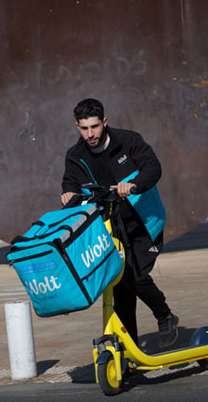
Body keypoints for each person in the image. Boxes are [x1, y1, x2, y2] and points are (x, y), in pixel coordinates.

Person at [61, 98, 179, 347]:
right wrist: (68, 194)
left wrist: (134, 185)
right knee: (120, 288)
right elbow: (70, 183)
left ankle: (165, 315)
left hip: (142, 225)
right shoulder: (75, 156)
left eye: (94, 127)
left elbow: (152, 168)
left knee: (134, 277)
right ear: (77, 126)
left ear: (104, 122)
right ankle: (130, 350)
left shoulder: (129, 141)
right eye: (84, 128)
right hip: (109, 228)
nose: (90, 134)